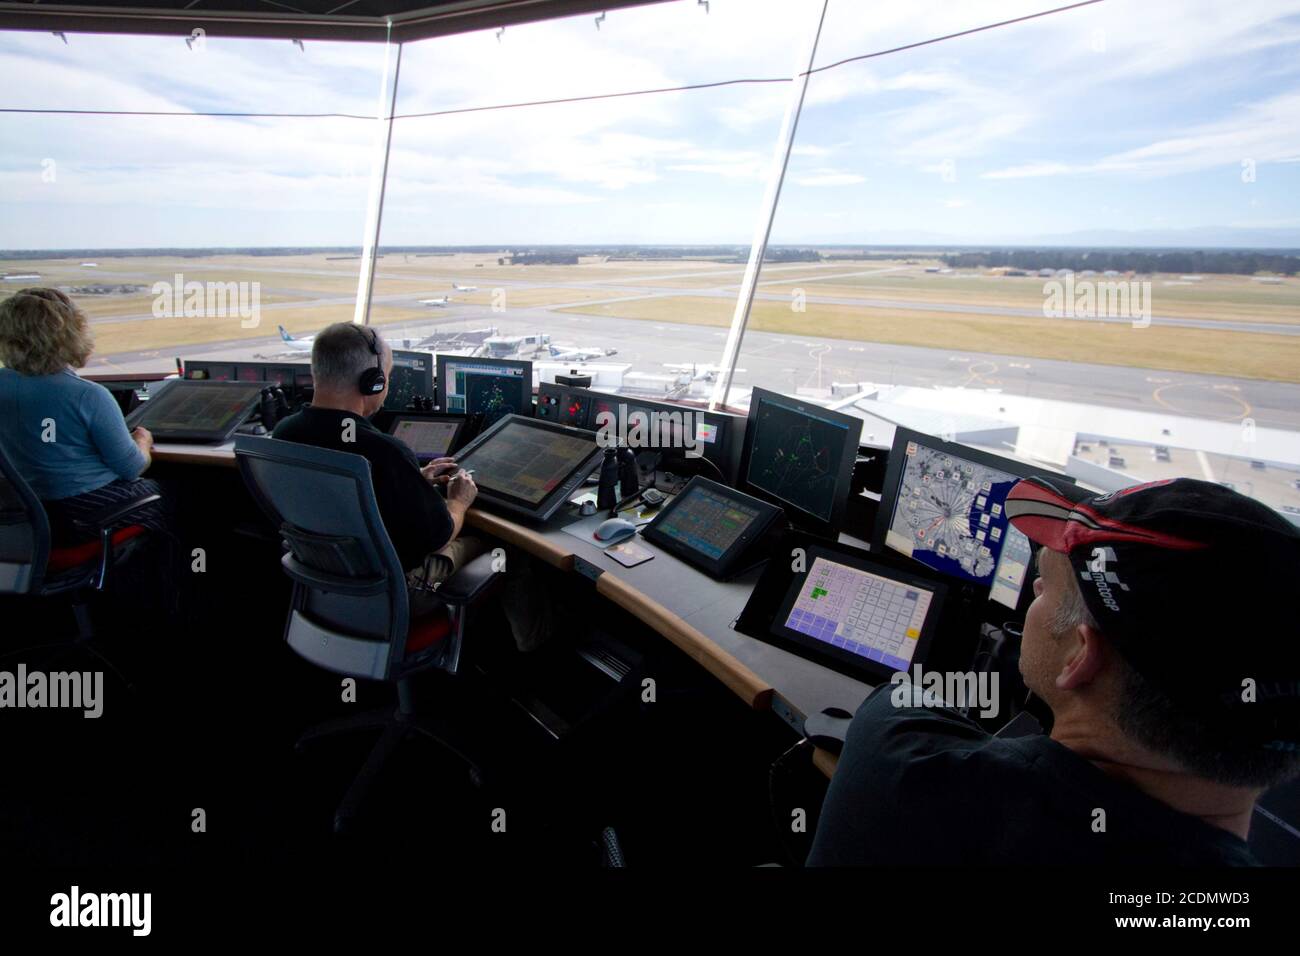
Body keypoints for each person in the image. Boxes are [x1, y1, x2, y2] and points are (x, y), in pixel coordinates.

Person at [809, 476, 1300, 865]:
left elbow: (903, 697)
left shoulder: (903, 755)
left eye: (1045, 586)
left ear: (1080, 659)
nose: (1035, 595)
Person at [271, 322, 550, 652]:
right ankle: (538, 651)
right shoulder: (383, 450)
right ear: (372, 382)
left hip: (328, 581)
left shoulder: (284, 434)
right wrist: (459, 502)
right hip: (403, 592)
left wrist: (413, 477)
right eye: (386, 376)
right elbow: (438, 534)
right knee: (509, 549)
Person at [0, 287, 166, 546]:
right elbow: (132, 468)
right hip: (76, 515)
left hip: (19, 518)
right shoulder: (87, 396)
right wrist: (142, 440)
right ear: (71, 334)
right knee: (172, 496)